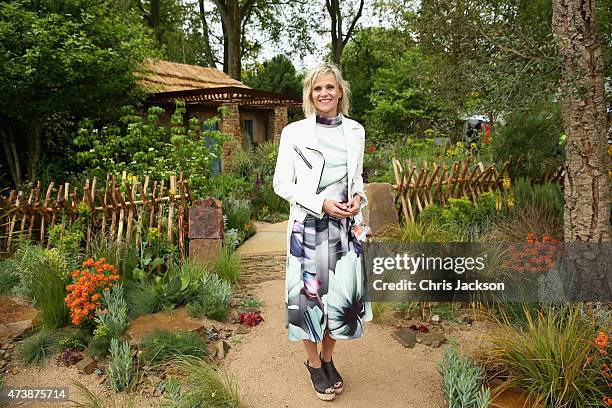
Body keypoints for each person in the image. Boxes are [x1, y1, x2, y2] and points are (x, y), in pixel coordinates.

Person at [273, 62, 373, 401]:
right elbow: (281, 184)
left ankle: (329, 357)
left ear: (340, 91)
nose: (324, 93)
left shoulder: (356, 131)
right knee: (310, 299)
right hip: (310, 229)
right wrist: (321, 204)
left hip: (345, 227)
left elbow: (356, 177)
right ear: (309, 95)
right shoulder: (294, 133)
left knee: (342, 297)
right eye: (317, 89)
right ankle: (314, 363)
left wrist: (359, 198)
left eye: (329, 87)